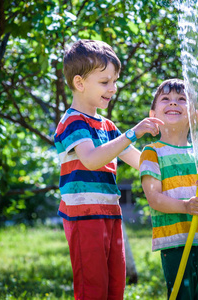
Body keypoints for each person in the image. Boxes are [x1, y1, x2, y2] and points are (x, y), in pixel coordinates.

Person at [54, 39, 163, 300]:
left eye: (114, 81)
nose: (113, 88)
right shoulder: (73, 121)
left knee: (115, 286)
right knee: (93, 288)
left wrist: (172, 158)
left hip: (110, 214)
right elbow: (91, 159)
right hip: (83, 215)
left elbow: (140, 162)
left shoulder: (107, 127)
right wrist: (132, 133)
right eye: (105, 82)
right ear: (79, 83)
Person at [139, 79, 198, 299]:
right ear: (152, 114)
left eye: (181, 100)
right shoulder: (152, 152)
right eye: (165, 99)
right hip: (174, 240)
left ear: (195, 114)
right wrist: (185, 206)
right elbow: (154, 198)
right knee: (181, 295)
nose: (173, 103)